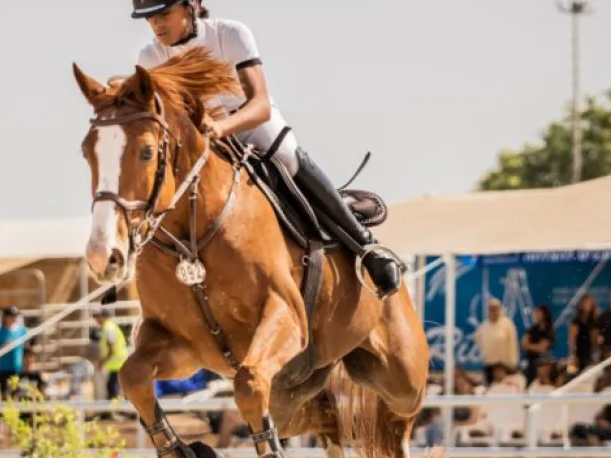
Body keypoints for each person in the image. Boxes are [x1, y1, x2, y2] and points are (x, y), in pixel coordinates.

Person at [128, 0, 403, 297]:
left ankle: (366, 246)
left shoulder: (230, 34)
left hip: (251, 125)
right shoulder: (150, 56)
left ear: (192, 4)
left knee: (288, 157)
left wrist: (222, 127)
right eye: (149, 19)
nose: (156, 25)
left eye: (164, 14)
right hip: (203, 140)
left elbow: (260, 106)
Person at [0, 306, 28, 438]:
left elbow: (28, 346)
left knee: (19, 397)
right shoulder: (0, 332)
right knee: (5, 398)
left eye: (15, 316)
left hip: (18, 369)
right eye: (11, 316)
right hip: (4, 370)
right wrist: (4, 346)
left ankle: (16, 428)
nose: (13, 318)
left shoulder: (22, 331)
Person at [94, 307, 129, 400]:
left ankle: (117, 410)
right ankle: (118, 409)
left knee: (113, 387)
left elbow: (111, 348)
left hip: (118, 362)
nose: (96, 319)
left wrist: (103, 361)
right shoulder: (108, 327)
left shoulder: (109, 328)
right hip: (116, 363)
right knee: (115, 386)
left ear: (104, 317)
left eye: (97, 316)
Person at [521, 304, 555, 385]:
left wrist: (529, 346)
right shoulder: (532, 329)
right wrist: (536, 346)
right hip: (531, 363)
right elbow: (523, 344)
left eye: (537, 312)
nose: (535, 315)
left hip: (543, 363)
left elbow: (542, 347)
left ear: (544, 314)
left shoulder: (549, 329)